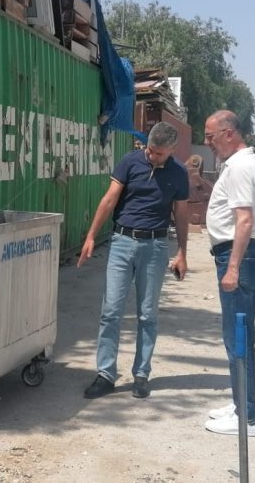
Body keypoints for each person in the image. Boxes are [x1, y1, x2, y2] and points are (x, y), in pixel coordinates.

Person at [78, 122, 190, 400]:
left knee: (147, 314)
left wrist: (183, 253)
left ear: (172, 151)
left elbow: (182, 213)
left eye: (159, 154)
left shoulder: (179, 174)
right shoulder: (130, 162)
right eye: (151, 151)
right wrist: (91, 236)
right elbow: (109, 200)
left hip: (155, 247)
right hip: (122, 243)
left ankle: (141, 374)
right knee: (111, 311)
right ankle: (105, 374)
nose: (153, 157)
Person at [202, 110, 255, 436]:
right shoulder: (247, 163)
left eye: (211, 136)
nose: (207, 143)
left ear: (229, 133)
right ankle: (241, 404)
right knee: (241, 337)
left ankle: (247, 416)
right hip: (243, 256)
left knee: (237, 338)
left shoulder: (242, 166)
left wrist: (232, 268)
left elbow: (244, 220)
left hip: (239, 257)